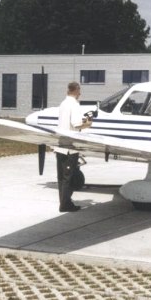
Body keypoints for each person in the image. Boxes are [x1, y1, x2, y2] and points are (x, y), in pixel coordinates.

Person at [56, 82, 92, 212]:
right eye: (79, 90)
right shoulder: (74, 104)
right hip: (70, 147)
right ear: (76, 90)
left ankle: (64, 203)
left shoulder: (63, 104)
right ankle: (66, 205)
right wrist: (88, 123)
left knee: (61, 177)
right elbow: (76, 124)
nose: (80, 93)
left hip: (60, 145)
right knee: (68, 178)